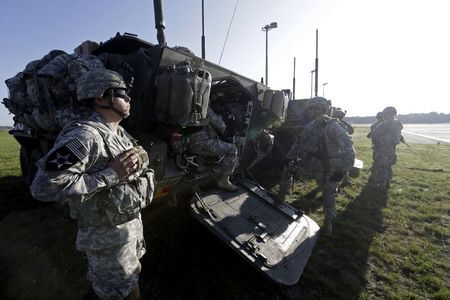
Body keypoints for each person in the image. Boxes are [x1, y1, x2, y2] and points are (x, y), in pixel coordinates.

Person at [30, 69, 155, 299]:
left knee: (126, 284)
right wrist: (110, 175)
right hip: (106, 243)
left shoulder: (119, 133)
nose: (128, 98)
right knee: (120, 294)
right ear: (100, 98)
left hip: (127, 234)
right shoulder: (84, 137)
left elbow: (136, 162)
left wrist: (141, 157)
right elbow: (43, 187)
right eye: (121, 93)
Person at [278, 97, 355, 236]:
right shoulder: (310, 126)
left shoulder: (333, 126)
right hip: (310, 165)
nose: (312, 111)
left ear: (322, 109)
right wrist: (289, 158)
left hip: (328, 169)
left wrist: (341, 171)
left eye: (315, 109)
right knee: (287, 168)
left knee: (328, 195)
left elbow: (350, 152)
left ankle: (328, 223)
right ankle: (280, 200)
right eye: (310, 109)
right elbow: (299, 143)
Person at [186, 106, 239, 192]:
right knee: (232, 149)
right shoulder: (204, 107)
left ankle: (200, 166)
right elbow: (221, 126)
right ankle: (224, 181)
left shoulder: (188, 104)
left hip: (187, 142)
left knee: (208, 138)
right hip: (200, 144)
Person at [368, 106, 403, 189]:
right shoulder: (397, 124)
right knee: (388, 167)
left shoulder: (385, 125)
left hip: (383, 149)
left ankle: (382, 185)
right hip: (391, 150)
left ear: (387, 114)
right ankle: (387, 182)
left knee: (382, 167)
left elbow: (374, 135)